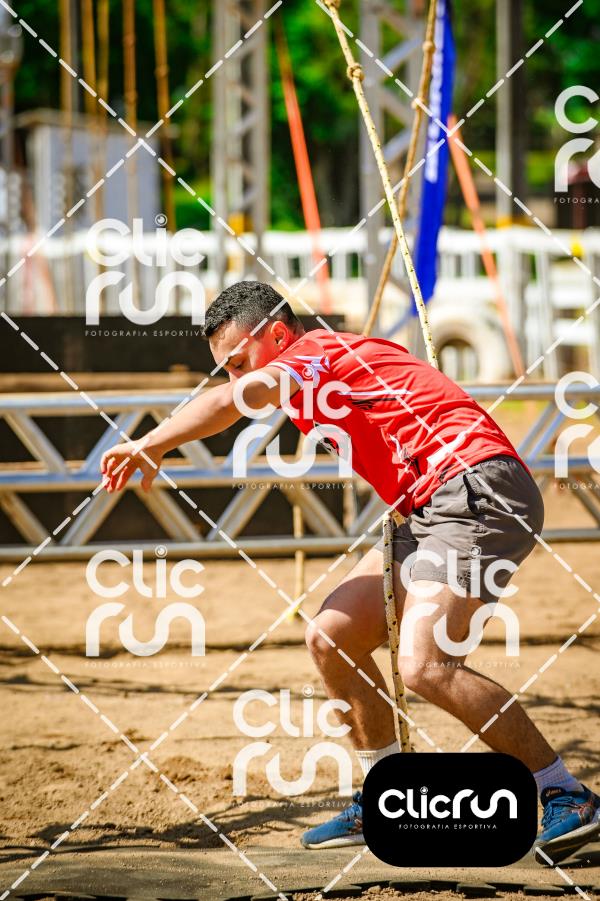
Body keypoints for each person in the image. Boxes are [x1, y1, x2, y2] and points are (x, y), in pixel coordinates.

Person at [100, 280, 599, 864]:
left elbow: (231, 403)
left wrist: (153, 442)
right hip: (432, 502)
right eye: (226, 368)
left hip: (475, 488)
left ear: (277, 335)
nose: (235, 377)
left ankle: (566, 794)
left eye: (238, 362)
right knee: (330, 637)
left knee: (426, 667)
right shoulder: (320, 366)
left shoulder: (313, 353)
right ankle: (387, 799)